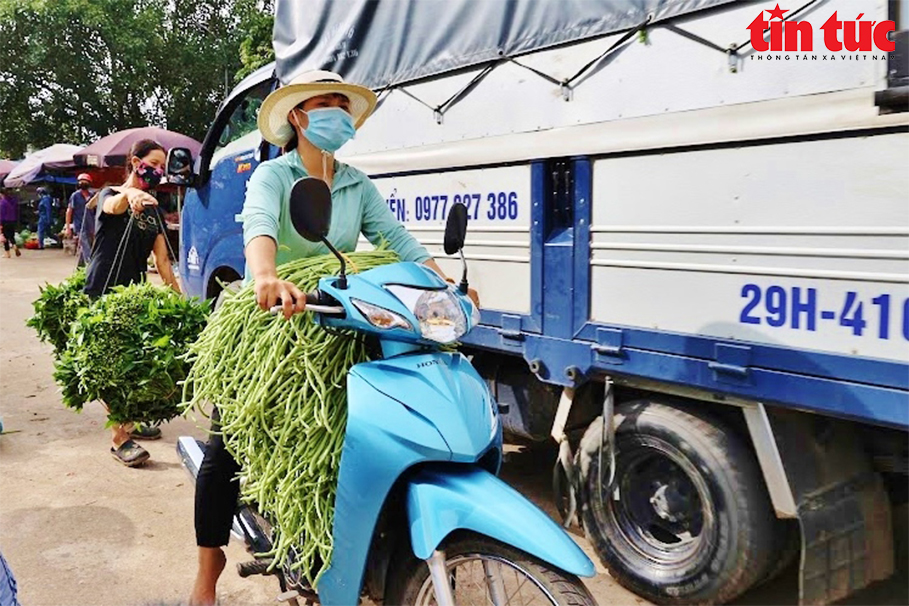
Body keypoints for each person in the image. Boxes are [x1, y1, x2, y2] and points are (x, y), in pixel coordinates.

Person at [189, 70, 479, 605]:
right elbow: (259, 227)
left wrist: (448, 283)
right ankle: (206, 577)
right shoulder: (274, 177)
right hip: (277, 314)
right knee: (225, 447)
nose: (337, 116)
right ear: (297, 117)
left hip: (340, 315)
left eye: (343, 107)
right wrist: (266, 276)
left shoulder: (355, 183)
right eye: (325, 105)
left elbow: (394, 240)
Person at [83, 139, 181, 467]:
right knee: (108, 368)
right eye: (151, 164)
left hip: (132, 298)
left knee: (131, 366)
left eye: (161, 168)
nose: (156, 171)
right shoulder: (109, 195)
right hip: (103, 292)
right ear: (135, 161)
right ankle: (120, 438)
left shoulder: (153, 211)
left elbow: (164, 263)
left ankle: (131, 422)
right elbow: (114, 208)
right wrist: (131, 194)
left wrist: (180, 304)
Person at [66, 173, 94, 266]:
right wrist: (68, 227)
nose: (82, 183)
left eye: (85, 181)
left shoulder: (92, 196)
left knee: (85, 247)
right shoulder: (75, 196)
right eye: (81, 181)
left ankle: (79, 268)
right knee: (86, 247)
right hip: (80, 226)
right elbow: (69, 211)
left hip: (91, 225)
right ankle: (89, 267)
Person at [0, 190, 21, 258]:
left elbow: (1, 214)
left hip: (4, 221)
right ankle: (14, 246)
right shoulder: (12, 202)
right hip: (12, 221)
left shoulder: (2, 203)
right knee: (11, 236)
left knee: (5, 238)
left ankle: (7, 253)